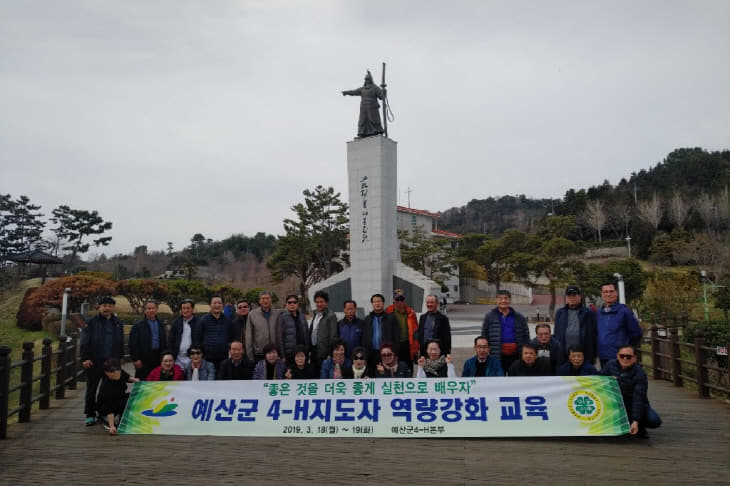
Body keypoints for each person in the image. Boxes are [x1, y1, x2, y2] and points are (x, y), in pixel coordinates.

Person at [80, 296, 124, 426]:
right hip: (94, 361)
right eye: (104, 305)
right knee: (91, 389)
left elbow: (120, 342)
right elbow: (84, 342)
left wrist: (119, 360)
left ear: (113, 308)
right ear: (99, 307)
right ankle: (90, 414)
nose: (107, 308)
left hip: (111, 363)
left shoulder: (117, 322)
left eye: (110, 306)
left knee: (107, 391)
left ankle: (104, 413)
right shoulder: (91, 322)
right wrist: (85, 358)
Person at [601, 345, 662, 438]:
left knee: (654, 420)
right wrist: (607, 379)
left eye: (628, 357)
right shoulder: (610, 365)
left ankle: (639, 426)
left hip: (631, 403)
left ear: (634, 358)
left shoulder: (640, 373)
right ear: (617, 356)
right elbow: (597, 379)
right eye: (622, 356)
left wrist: (636, 420)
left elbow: (638, 398)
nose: (625, 358)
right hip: (613, 404)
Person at [481, 289, 530, 373]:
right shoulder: (489, 317)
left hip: (516, 355)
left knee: (515, 380)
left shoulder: (519, 317)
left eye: (506, 298)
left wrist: (525, 352)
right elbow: (484, 336)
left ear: (510, 300)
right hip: (497, 355)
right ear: (496, 300)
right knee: (499, 381)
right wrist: (487, 350)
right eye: (500, 298)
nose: (503, 301)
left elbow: (526, 336)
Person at [597, 282, 643, 367]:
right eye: (605, 292)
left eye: (611, 291)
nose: (608, 294)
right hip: (603, 356)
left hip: (620, 357)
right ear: (601, 294)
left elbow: (636, 333)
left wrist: (628, 349)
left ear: (616, 293)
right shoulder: (599, 313)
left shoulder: (624, 311)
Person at [553, 285, 598, 365]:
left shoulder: (588, 313)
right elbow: (556, 333)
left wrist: (594, 354)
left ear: (580, 297)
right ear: (566, 298)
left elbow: (594, 334)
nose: (572, 298)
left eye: (574, 295)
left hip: (583, 355)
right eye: (569, 295)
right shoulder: (560, 313)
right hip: (563, 354)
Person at [96, 358, 138, 435]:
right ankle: (106, 421)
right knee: (122, 403)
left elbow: (128, 377)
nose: (116, 372)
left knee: (133, 397)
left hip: (119, 398)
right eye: (112, 371)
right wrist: (112, 426)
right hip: (106, 407)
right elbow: (109, 408)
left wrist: (135, 380)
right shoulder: (106, 388)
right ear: (106, 373)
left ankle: (122, 419)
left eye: (118, 369)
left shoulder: (120, 373)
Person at [129, 300, 167, 380]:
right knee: (143, 381)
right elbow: (133, 344)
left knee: (157, 381)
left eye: (153, 308)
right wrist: (136, 359)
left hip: (158, 357)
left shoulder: (161, 324)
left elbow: (164, 341)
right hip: (144, 358)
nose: (151, 310)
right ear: (145, 310)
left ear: (156, 309)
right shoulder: (138, 326)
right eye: (149, 308)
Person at [193, 295, 233, 371]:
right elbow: (197, 339)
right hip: (207, 359)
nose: (217, 305)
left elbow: (231, 338)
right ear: (210, 305)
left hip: (224, 358)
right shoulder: (202, 320)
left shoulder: (228, 321)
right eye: (214, 303)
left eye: (219, 303)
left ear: (223, 305)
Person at [341, 70, 384, 138]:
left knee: (373, 119)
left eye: (368, 79)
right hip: (363, 106)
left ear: (371, 80)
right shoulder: (362, 89)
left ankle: (377, 131)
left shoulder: (375, 88)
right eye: (366, 79)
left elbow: (381, 97)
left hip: (372, 106)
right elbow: (354, 92)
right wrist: (346, 92)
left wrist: (383, 92)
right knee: (362, 120)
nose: (367, 80)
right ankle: (362, 133)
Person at [363, 294, 400, 366]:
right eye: (375, 302)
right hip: (371, 353)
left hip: (387, 353)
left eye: (379, 301)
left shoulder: (391, 318)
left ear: (383, 303)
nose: (377, 303)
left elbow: (397, 337)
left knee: (386, 374)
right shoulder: (367, 319)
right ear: (372, 304)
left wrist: (395, 353)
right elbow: (364, 338)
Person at [246, 291, 282, 363]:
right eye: (263, 298)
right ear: (259, 301)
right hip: (259, 353)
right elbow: (249, 336)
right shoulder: (252, 314)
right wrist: (250, 356)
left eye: (267, 298)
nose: (265, 300)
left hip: (274, 353)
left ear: (271, 300)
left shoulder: (277, 313)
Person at [385, 289, 419, 363]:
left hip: (407, 345)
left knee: (408, 370)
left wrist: (415, 349)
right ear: (394, 300)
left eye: (402, 299)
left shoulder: (411, 313)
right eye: (397, 299)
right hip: (394, 345)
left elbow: (416, 333)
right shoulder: (387, 312)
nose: (400, 301)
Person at [276, 294, 309, 363]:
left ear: (297, 304)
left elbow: (306, 334)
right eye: (289, 302)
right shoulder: (282, 317)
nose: (292, 304)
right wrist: (282, 355)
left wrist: (308, 350)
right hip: (290, 354)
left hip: (303, 352)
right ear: (286, 304)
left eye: (294, 302)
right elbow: (280, 338)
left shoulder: (302, 316)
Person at [311, 290, 338, 372]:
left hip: (324, 353)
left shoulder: (331, 316)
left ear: (326, 302)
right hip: (314, 350)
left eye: (321, 302)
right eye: (317, 302)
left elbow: (333, 336)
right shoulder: (315, 314)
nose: (319, 304)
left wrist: (330, 353)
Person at [168, 298, 199, 369]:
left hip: (193, 358)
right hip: (178, 358)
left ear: (193, 309)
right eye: (183, 308)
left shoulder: (199, 322)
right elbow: (171, 340)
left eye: (188, 308)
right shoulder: (176, 323)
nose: (185, 310)